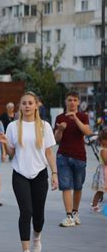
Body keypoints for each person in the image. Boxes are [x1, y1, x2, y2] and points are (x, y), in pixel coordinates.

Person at [0, 91, 58, 252]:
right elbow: (11, 154)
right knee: (26, 212)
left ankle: (37, 236)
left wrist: (54, 173)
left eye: (30, 103)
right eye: (24, 103)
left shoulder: (44, 126)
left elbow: (48, 152)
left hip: (39, 174)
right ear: (20, 106)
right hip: (20, 173)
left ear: (36, 105)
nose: (27, 106)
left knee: (38, 214)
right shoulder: (13, 126)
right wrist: (4, 143)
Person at [54, 91, 92, 227]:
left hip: (79, 156)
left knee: (78, 186)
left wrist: (75, 119)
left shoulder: (83, 116)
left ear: (78, 102)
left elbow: (88, 132)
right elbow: (56, 139)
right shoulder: (59, 117)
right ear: (66, 101)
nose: (72, 102)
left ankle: (75, 213)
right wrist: (60, 129)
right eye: (69, 100)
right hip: (63, 156)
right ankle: (68, 215)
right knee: (65, 187)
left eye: (75, 100)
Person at [91, 129, 107, 212]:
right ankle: (94, 205)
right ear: (102, 141)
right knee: (100, 191)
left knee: (102, 191)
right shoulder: (103, 150)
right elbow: (106, 161)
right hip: (104, 173)